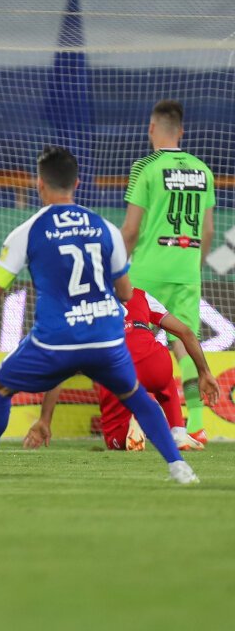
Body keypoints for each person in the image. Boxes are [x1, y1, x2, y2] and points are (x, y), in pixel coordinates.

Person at [0, 145, 200, 485]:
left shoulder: (29, 231)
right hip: (105, 338)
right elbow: (126, 293)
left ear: (39, 183)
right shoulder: (105, 229)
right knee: (137, 396)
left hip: (56, 340)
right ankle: (179, 467)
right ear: (77, 183)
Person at [120, 99, 216, 445]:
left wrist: (117, 270)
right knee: (185, 343)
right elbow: (208, 230)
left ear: (151, 128)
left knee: (135, 341)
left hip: (148, 270)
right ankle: (196, 426)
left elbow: (131, 229)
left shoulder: (145, 167)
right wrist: (193, 266)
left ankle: (135, 423)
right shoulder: (203, 170)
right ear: (181, 131)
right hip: (187, 270)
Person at [24, 288, 219, 452]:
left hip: (116, 371)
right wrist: (204, 372)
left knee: (116, 441)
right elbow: (186, 332)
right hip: (153, 362)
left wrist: (45, 420)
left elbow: (59, 371)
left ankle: (138, 420)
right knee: (164, 378)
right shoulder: (140, 294)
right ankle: (178, 432)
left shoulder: (78, 306)